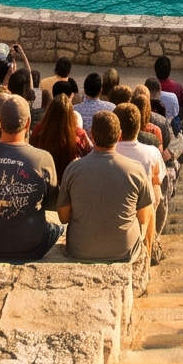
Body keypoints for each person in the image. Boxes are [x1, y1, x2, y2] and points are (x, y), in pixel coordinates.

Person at [0, 94, 63, 262]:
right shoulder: (43, 158)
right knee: (59, 227)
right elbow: (51, 202)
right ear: (28, 123)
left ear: (0, 121)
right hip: (30, 248)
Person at [62, 112, 158, 263]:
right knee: (150, 203)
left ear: (91, 135)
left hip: (80, 249)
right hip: (125, 250)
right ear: (119, 135)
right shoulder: (136, 169)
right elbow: (143, 217)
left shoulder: (73, 168)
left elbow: (63, 217)